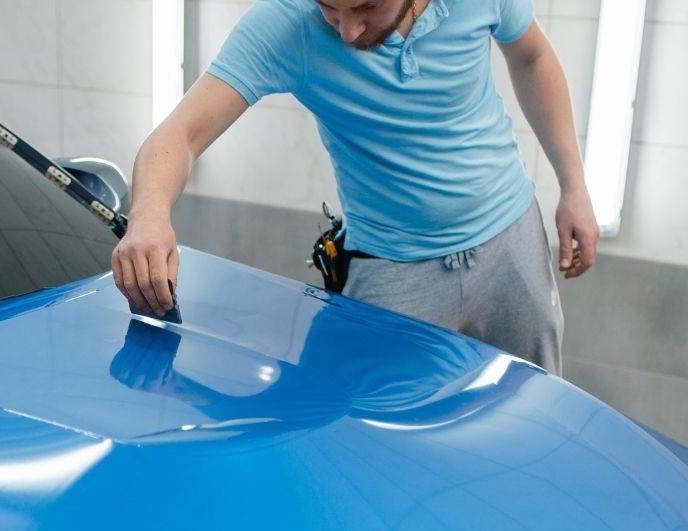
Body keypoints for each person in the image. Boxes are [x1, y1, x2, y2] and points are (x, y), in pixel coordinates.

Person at [111, 0, 599, 376]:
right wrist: (150, 214)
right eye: (330, 8)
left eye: (367, 7)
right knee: (370, 442)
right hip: (390, 270)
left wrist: (573, 185)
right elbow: (180, 134)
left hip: (511, 247)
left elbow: (532, 57)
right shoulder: (288, 23)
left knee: (532, 413)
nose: (347, 31)